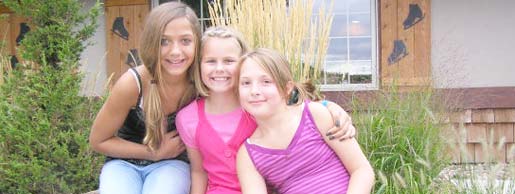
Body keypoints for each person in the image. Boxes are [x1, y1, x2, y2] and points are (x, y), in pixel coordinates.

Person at [176, 26, 357, 194]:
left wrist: (331, 107)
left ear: (243, 64)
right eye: (210, 61)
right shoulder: (188, 118)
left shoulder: (260, 104)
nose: (219, 69)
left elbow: (300, 108)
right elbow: (199, 171)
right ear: (198, 65)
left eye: (229, 61)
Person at [88, 2, 200, 194]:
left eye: (185, 41)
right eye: (164, 41)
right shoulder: (133, 84)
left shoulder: (199, 83)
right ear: (151, 42)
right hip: (123, 165)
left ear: (197, 42)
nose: (175, 51)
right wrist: (153, 153)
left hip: (172, 164)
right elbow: (98, 140)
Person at [236, 48, 375, 194]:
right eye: (246, 83)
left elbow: (362, 170)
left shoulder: (315, 116)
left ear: (287, 88)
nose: (254, 91)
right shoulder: (248, 155)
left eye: (266, 81)